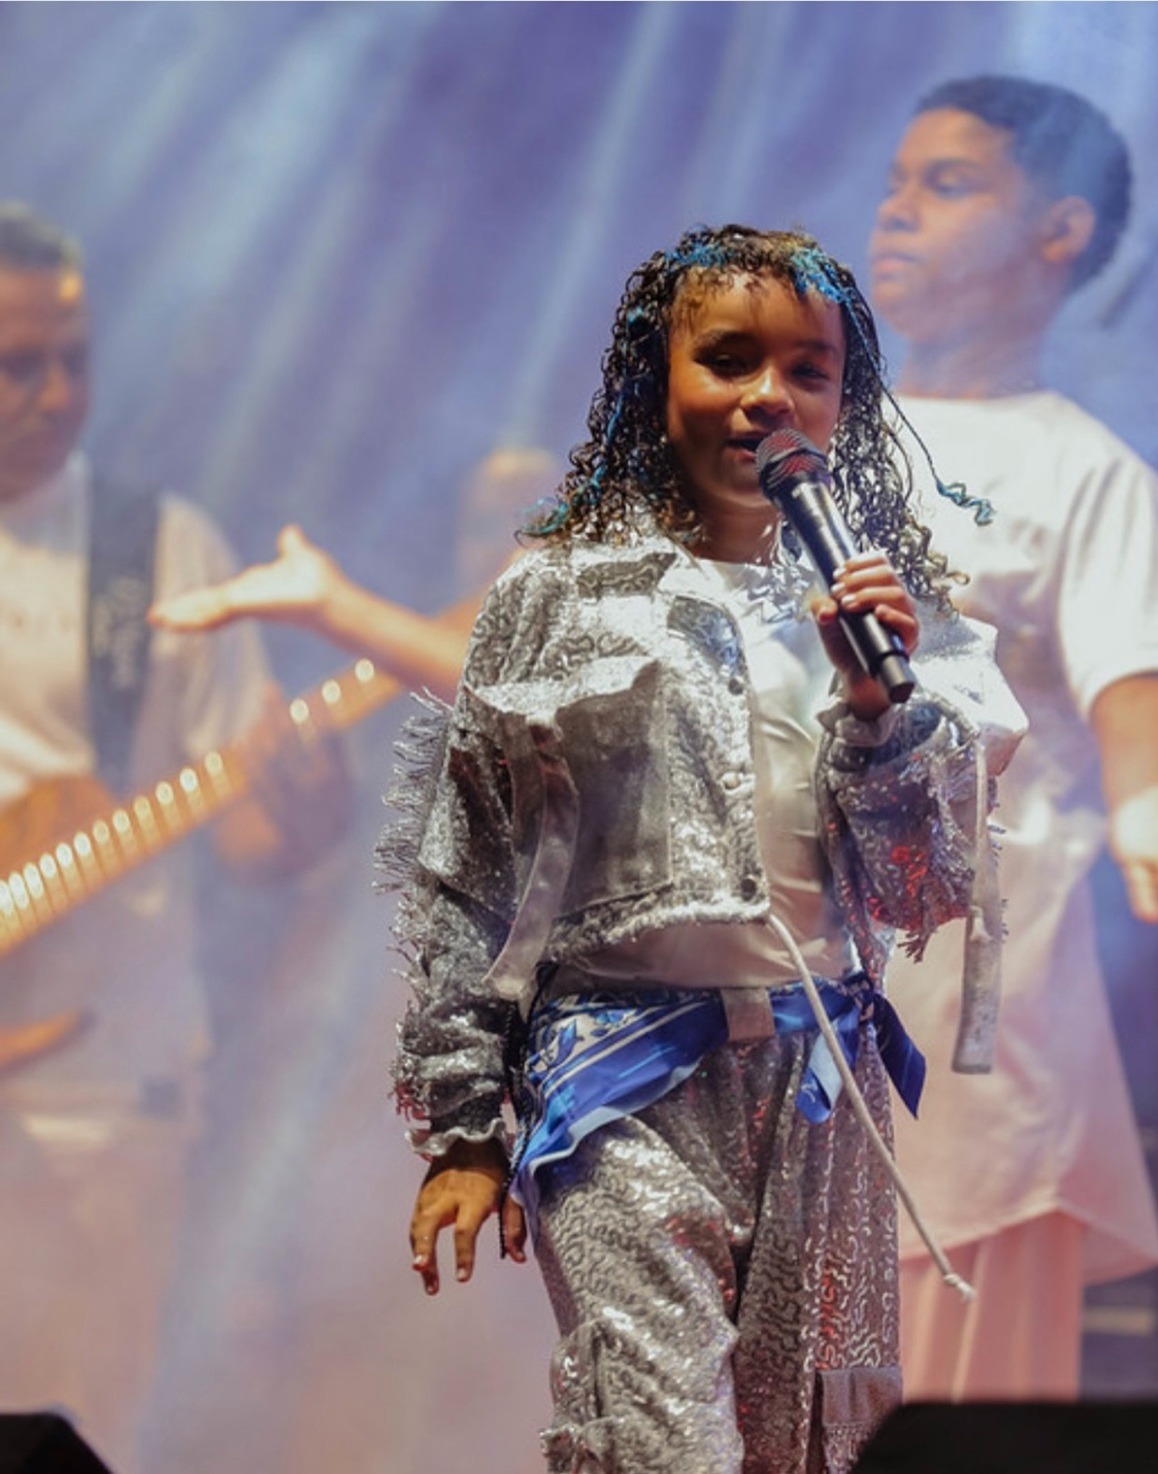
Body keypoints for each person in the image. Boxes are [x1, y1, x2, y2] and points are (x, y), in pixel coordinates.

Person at [384, 223, 1023, 1474]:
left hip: (820, 1082)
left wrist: (880, 708)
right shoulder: (555, 598)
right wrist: (463, 1125)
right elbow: (476, 865)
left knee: (811, 1439)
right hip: (617, 1072)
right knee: (663, 1437)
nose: (766, 396)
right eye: (727, 359)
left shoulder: (897, 613)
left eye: (807, 370)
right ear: (654, 380)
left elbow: (924, 888)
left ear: (846, 399)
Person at [0, 202, 349, 1472]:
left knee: (73, 1438)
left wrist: (306, 807)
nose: (56, 394)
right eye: (17, 364)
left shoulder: (159, 548)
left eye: (74, 359)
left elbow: (248, 834)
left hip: (102, 1085)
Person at [867, 75, 1158, 1400]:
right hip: (759, 1028)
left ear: (1059, 231)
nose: (897, 208)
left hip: (971, 1059)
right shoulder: (791, 446)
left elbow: (1139, 696)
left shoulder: (1088, 474)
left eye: (949, 183)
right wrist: (346, 613)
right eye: (898, 180)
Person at [148, 445, 560, 699]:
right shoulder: (398, 699)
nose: (515, 547)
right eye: (486, 526)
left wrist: (332, 605)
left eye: (544, 525)